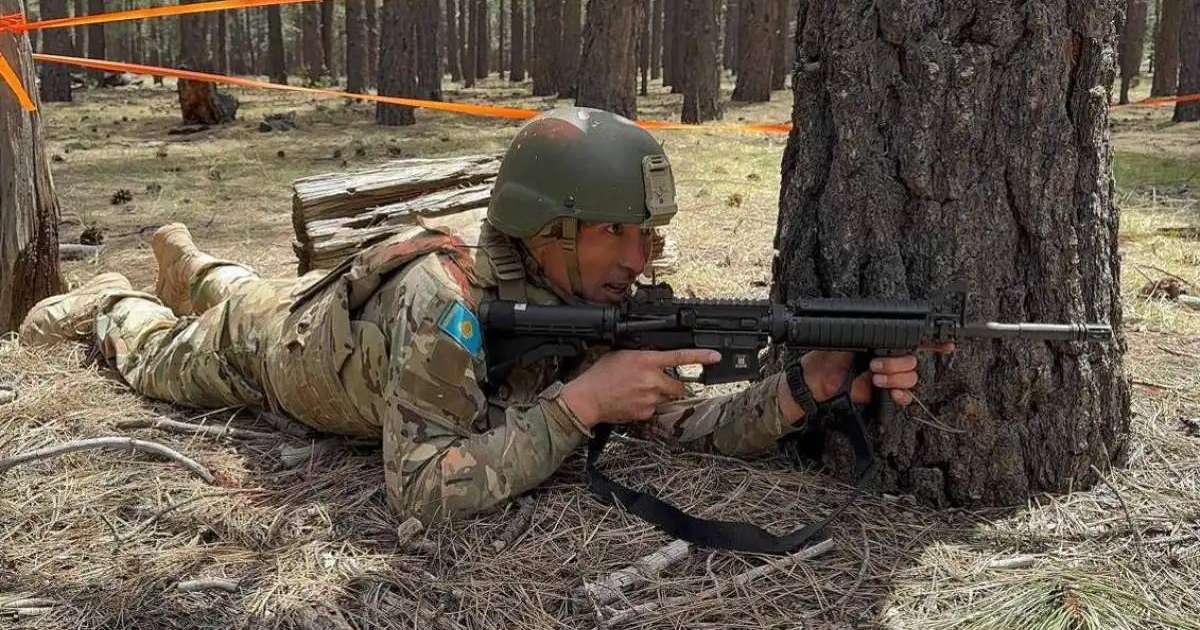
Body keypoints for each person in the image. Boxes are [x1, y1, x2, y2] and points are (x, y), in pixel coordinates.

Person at [20, 107, 945, 525]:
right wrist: (577, 408)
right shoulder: (445, 303)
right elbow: (420, 491)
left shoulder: (589, 298)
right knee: (170, 348)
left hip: (325, 320)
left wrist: (801, 391)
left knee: (232, 285)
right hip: (278, 358)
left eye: (648, 235)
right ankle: (119, 301)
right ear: (545, 233)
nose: (642, 259)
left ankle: (198, 266)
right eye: (616, 234)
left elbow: (674, 418)